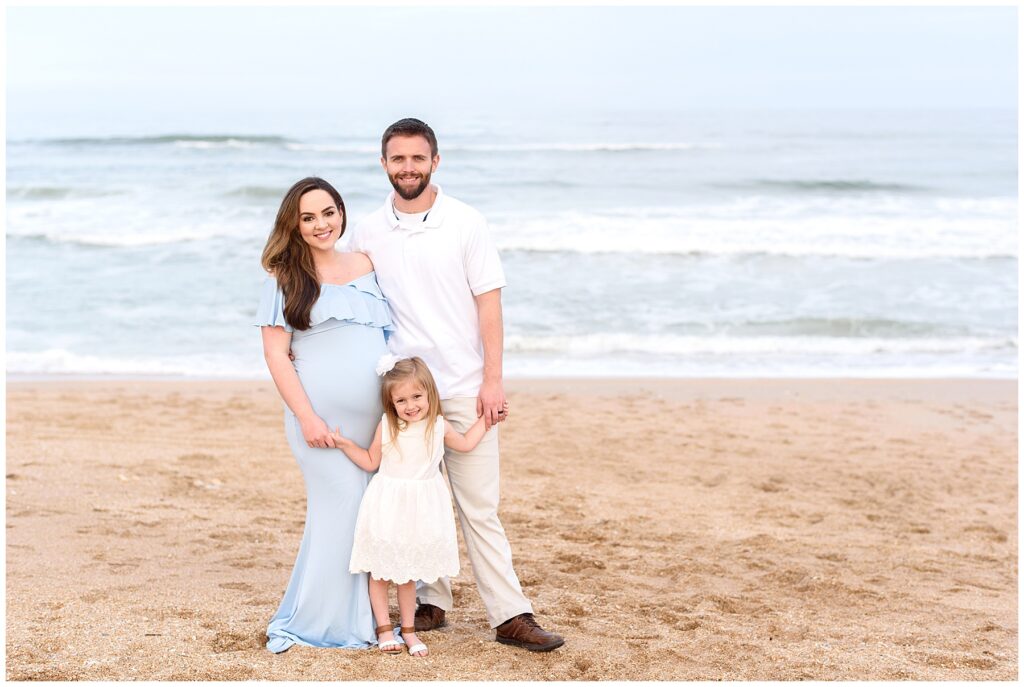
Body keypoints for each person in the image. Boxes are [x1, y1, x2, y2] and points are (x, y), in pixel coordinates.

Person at [347, 118, 564, 652]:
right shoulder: (368, 231)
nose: (408, 168)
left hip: (465, 388)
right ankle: (431, 601)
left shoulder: (466, 222)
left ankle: (510, 615)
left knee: (478, 508)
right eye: (398, 159)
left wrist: (493, 380)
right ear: (383, 164)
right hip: (406, 395)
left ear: (435, 162)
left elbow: (489, 305)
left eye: (417, 158)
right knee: (413, 499)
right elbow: (345, 294)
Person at [256, 176, 393, 653]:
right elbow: (276, 355)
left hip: (372, 423)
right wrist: (307, 418)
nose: (321, 224)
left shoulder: (366, 265)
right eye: (308, 217)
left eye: (328, 212)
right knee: (343, 508)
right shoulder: (285, 279)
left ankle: (362, 616)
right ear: (293, 225)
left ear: (341, 212)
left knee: (360, 515)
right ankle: (328, 623)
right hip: (319, 423)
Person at [329, 355, 496, 657]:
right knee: (380, 572)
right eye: (401, 400)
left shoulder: (439, 426)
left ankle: (408, 630)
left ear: (430, 393)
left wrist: (486, 420)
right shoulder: (388, 425)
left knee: (407, 573)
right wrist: (345, 444)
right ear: (391, 403)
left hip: (420, 509)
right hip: (388, 505)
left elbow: (466, 444)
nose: (410, 405)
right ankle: (383, 628)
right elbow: (370, 461)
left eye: (417, 396)